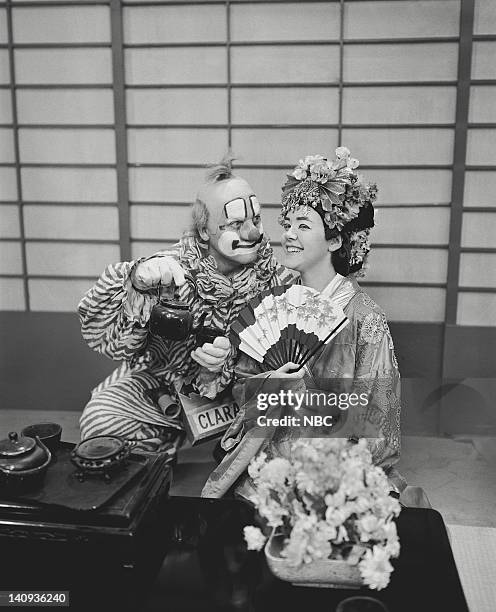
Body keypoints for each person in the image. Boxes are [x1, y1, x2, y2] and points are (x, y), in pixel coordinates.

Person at [202, 147, 409, 499]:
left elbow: (381, 426)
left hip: (332, 464)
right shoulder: (276, 302)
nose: (289, 235)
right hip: (267, 458)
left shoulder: (365, 318)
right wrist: (269, 383)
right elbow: (241, 389)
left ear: (335, 239)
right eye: (287, 225)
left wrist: (306, 404)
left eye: (303, 225)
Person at [78, 155, 295, 452]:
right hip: (162, 386)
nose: (253, 233)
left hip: (238, 396)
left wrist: (229, 367)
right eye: (235, 223)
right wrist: (135, 282)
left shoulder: (279, 279)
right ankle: (158, 453)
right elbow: (108, 342)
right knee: (102, 418)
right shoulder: (167, 270)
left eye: (255, 219)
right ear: (205, 231)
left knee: (297, 419)